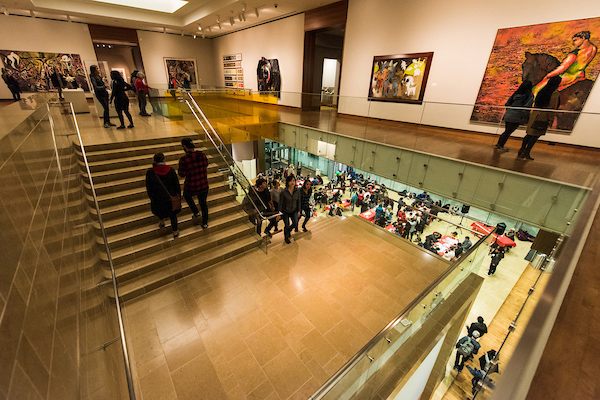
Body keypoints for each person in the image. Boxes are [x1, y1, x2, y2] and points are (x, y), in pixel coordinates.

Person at [533, 31, 597, 95]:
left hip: (568, 77)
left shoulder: (574, 54)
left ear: (583, 38)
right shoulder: (593, 48)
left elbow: (562, 68)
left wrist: (549, 75)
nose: (573, 43)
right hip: (580, 74)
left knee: (535, 90)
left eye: (575, 40)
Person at [518, 76, 561, 160]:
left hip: (535, 114)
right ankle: (526, 152)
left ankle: (522, 150)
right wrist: (550, 119)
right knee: (535, 135)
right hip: (543, 116)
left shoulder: (542, 91)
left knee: (529, 134)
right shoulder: (554, 93)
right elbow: (552, 107)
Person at [146, 153, 181, 238]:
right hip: (171, 197)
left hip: (158, 197)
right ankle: (175, 232)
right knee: (173, 215)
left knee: (160, 211)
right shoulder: (170, 170)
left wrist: (151, 197)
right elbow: (176, 184)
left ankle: (162, 222)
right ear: (164, 160)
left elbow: (149, 187)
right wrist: (178, 195)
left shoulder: (150, 172)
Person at [495, 81, 534, 151]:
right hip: (517, 116)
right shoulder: (529, 96)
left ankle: (499, 144)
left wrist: (509, 111)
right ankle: (500, 145)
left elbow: (507, 104)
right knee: (508, 132)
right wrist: (524, 118)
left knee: (507, 131)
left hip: (509, 114)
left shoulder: (516, 94)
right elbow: (527, 108)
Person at [178, 138, 209, 228]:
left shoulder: (184, 159)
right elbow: (206, 164)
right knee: (203, 204)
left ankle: (195, 211)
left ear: (184, 147)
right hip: (203, 184)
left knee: (187, 196)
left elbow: (182, 174)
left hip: (192, 186)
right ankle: (205, 223)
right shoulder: (202, 155)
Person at [280, 175, 301, 244]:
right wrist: (279, 213)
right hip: (285, 211)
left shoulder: (297, 191)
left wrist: (299, 210)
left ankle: (288, 231)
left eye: (294, 181)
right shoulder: (283, 192)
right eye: (291, 181)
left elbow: (299, 201)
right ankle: (286, 237)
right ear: (287, 182)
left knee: (295, 223)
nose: (292, 182)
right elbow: (281, 203)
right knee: (287, 224)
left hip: (294, 210)